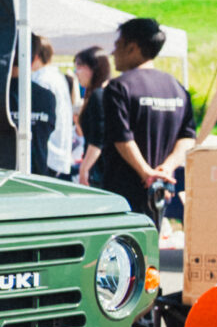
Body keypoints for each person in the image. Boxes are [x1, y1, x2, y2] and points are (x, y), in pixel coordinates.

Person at [97, 17, 192, 222]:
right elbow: (188, 137)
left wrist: (147, 173)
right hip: (159, 192)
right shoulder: (176, 88)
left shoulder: (118, 87)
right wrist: (166, 168)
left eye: (118, 45)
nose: (113, 53)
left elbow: (121, 138)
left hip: (122, 195)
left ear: (132, 47)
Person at [27, 34, 78, 179]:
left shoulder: (40, 80)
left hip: (48, 154)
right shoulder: (57, 76)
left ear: (35, 55)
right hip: (58, 153)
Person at [72, 47, 113, 187]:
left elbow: (98, 139)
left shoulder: (98, 95)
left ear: (93, 68)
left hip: (99, 171)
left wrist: (84, 168)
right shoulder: (101, 93)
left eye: (79, 66)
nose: (76, 72)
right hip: (101, 168)